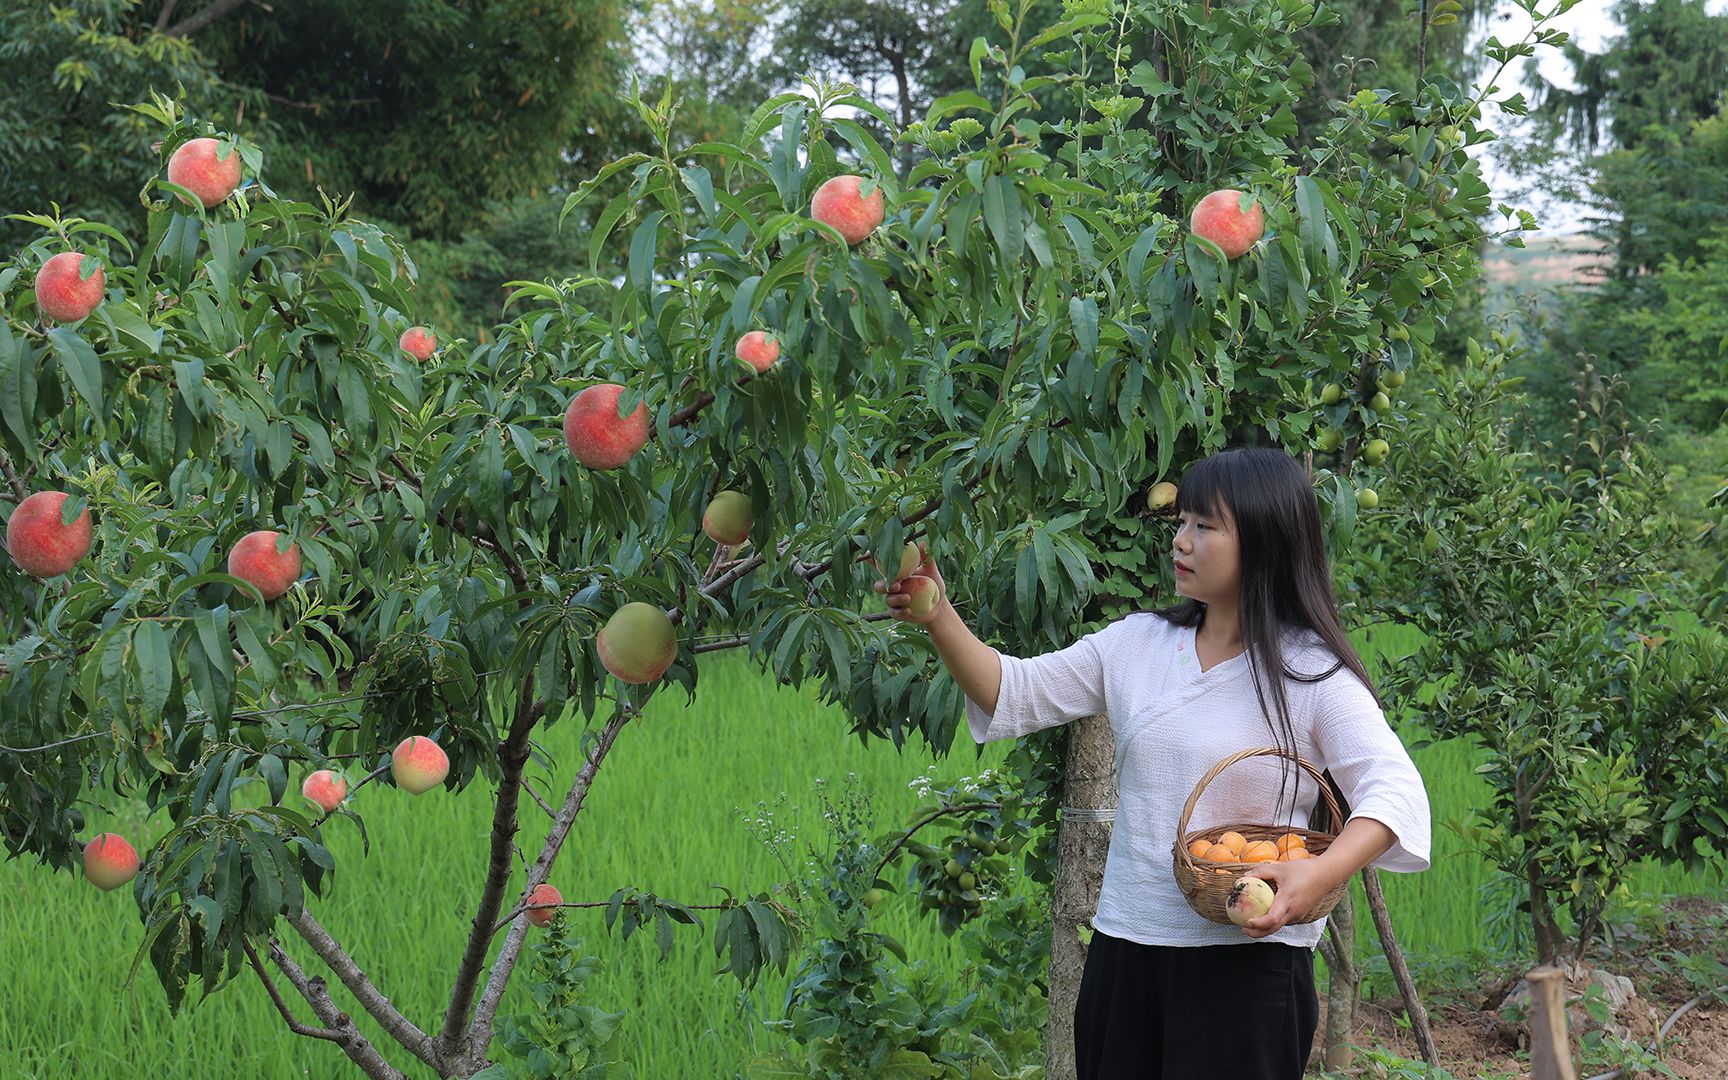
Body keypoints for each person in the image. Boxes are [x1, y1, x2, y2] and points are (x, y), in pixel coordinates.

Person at [875, 446, 1431, 1079]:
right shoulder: (1139, 644)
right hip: (1127, 951)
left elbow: (1395, 792)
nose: (1182, 541)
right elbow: (1013, 692)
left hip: (1247, 968)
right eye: (1182, 522)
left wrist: (1321, 871)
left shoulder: (1310, 674)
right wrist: (938, 612)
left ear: (1267, 541)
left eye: (1206, 526)